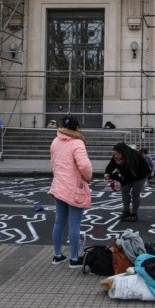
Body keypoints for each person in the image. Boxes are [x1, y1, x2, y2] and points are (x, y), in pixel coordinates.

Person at [49, 115, 92, 268]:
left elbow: (53, 163)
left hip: (59, 186)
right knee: (74, 224)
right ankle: (74, 259)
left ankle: (57, 255)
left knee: (59, 221)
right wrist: (88, 178)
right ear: (77, 128)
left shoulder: (55, 141)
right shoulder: (77, 143)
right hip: (74, 187)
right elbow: (85, 166)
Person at [104, 142, 149, 222]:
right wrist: (107, 173)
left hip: (139, 175)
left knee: (135, 193)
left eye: (118, 154)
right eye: (114, 154)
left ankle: (134, 214)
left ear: (124, 153)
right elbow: (110, 166)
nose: (116, 156)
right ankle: (126, 212)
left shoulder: (133, 158)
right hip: (127, 175)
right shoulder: (116, 157)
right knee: (124, 191)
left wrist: (121, 182)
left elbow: (131, 176)